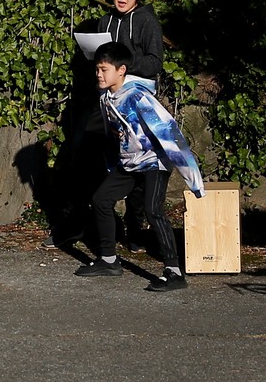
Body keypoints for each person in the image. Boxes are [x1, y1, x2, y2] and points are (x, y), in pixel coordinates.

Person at [42, 0, 163, 252]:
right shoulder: (105, 21)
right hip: (104, 101)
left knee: (141, 165)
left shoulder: (147, 21)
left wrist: (121, 65)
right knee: (84, 156)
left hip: (135, 102)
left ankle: (135, 228)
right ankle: (79, 224)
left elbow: (154, 63)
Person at [75, 42, 204, 292]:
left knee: (152, 209)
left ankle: (174, 271)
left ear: (121, 70)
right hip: (129, 163)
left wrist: (193, 178)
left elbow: (169, 132)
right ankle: (109, 260)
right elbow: (114, 134)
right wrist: (115, 164)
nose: (98, 74)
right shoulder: (106, 97)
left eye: (104, 69)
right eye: (97, 69)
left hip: (154, 161)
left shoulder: (138, 97)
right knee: (101, 199)